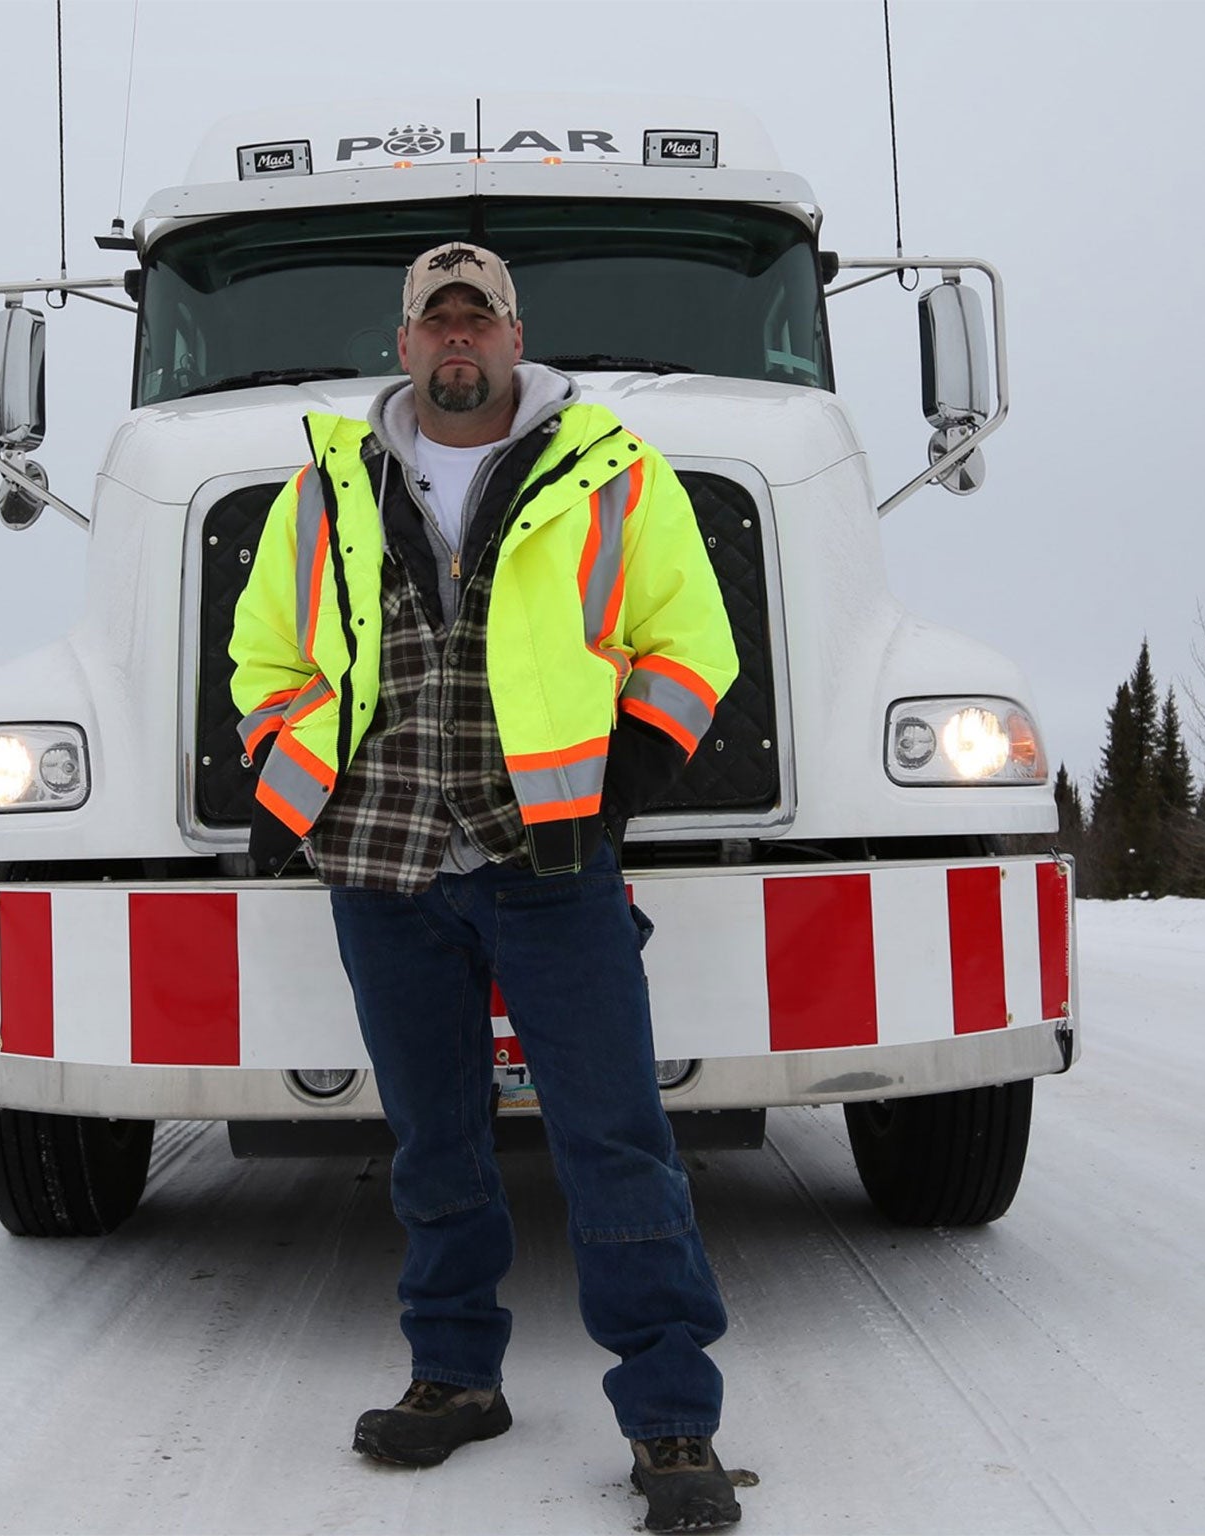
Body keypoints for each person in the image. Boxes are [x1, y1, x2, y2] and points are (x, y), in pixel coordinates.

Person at [228, 241, 745, 1532]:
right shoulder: (325, 490)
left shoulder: (611, 471)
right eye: (436, 321)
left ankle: (673, 1418)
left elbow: (692, 642)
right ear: (404, 345)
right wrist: (295, 781)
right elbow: (263, 660)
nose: (458, 340)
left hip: (547, 861)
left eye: (481, 319)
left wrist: (622, 777)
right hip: (385, 863)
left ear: (518, 336)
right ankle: (456, 1376)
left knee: (616, 1136)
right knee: (433, 1143)